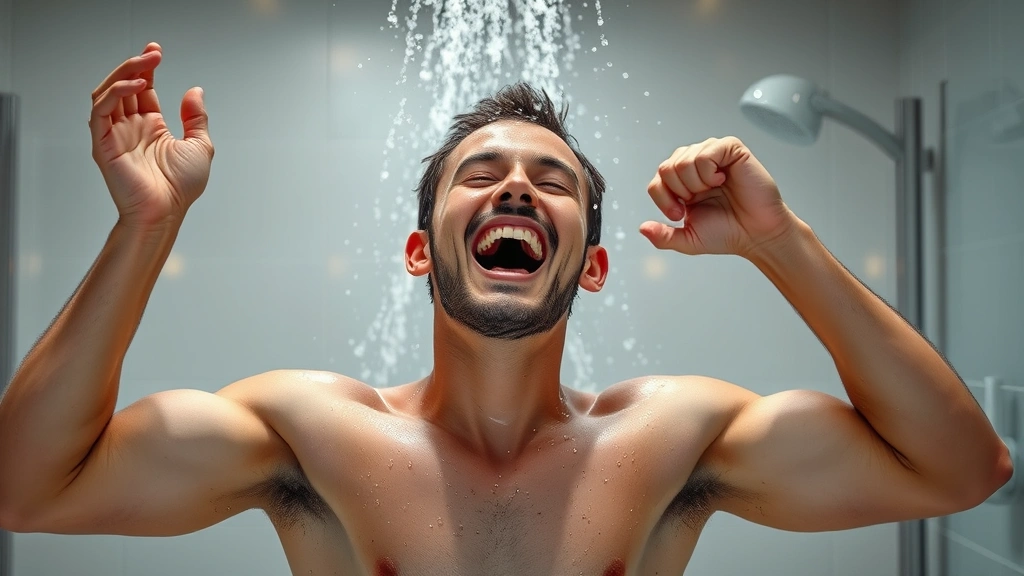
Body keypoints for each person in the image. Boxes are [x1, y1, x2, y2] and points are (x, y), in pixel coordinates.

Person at [0, 42, 1012, 576]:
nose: (517, 189)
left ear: (595, 267)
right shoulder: (304, 430)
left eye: (552, 181)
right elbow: (26, 492)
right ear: (417, 252)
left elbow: (967, 469)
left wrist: (777, 244)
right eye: (479, 173)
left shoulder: (676, 435)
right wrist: (146, 228)